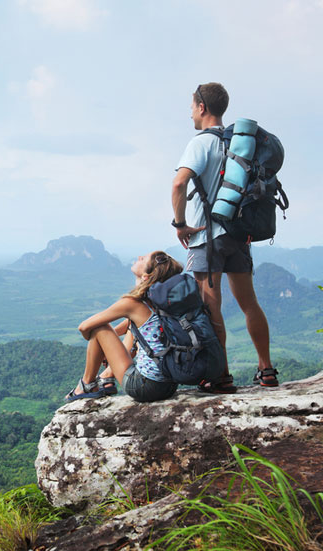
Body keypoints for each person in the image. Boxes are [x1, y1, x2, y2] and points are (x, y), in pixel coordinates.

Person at [170, 82, 278, 392]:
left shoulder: (200, 143)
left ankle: (221, 374)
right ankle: (266, 369)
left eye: (192, 107)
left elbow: (179, 184)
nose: (190, 113)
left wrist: (179, 224)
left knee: (210, 305)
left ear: (202, 107)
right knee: (250, 303)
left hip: (207, 237)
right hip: (238, 233)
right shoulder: (238, 144)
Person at [65, 250, 185, 403]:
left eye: (144, 259)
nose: (139, 256)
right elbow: (130, 325)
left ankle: (86, 385)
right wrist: (108, 345)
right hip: (169, 385)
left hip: (145, 387)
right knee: (130, 326)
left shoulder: (133, 304)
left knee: (99, 328)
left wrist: (100, 341)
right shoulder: (160, 301)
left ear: (145, 277)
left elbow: (84, 327)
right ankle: (106, 376)